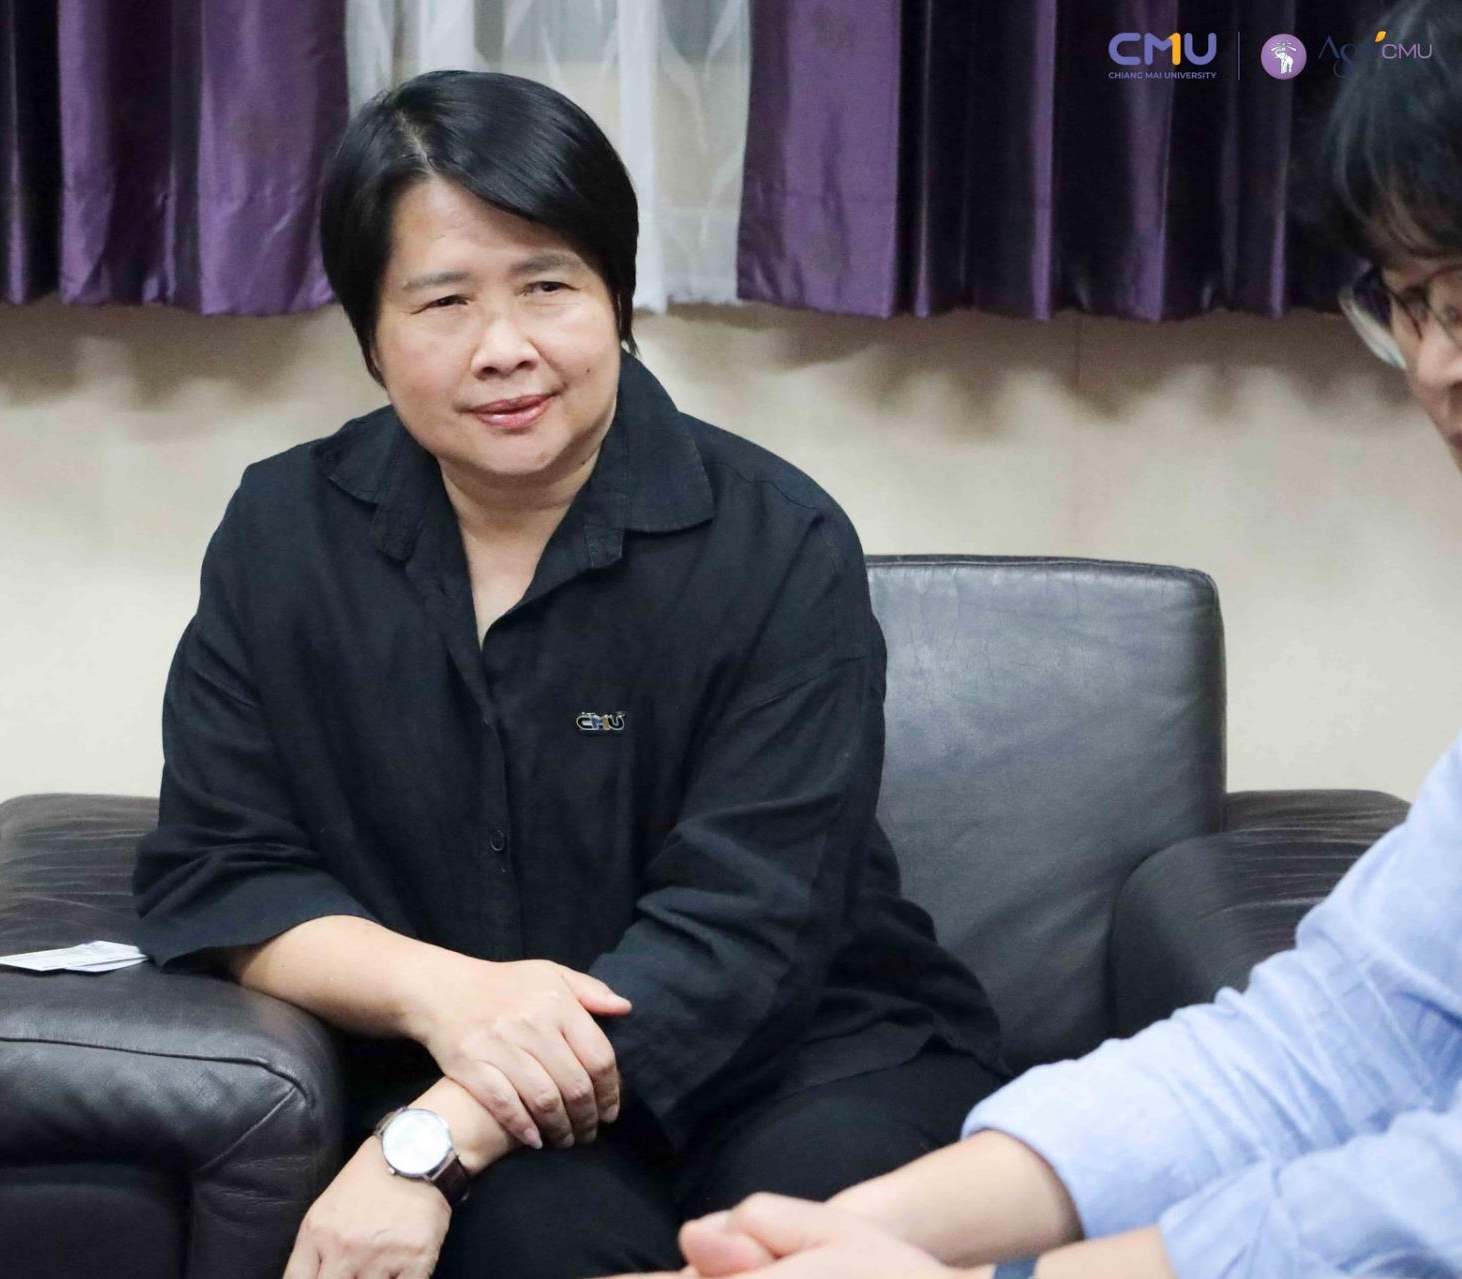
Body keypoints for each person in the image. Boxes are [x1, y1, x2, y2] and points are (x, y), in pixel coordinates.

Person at [607, 2, 1462, 1276]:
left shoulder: (771, 535)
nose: (1437, 367)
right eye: (1412, 303)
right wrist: (866, 1234)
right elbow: (1333, 1044)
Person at [131, 69, 1005, 1279]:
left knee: (796, 1235)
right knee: (527, 1246)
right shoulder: (285, 533)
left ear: (617, 299)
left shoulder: (780, 543)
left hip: (809, 1056)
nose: (505, 350)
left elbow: (745, 929)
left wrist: (431, 1142)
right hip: (504, 1096)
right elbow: (223, 867)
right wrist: (445, 996)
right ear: (371, 337)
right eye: (443, 301)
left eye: (549, 287)